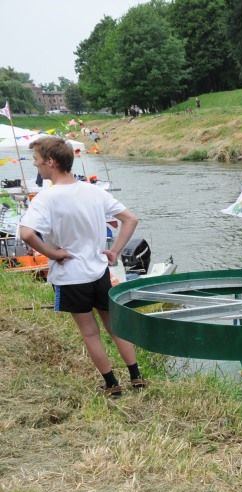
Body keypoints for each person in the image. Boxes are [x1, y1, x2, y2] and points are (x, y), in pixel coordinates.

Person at [18, 137, 145, 398]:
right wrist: (115, 251)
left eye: (37, 162)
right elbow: (130, 219)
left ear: (51, 162)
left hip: (70, 276)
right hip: (99, 272)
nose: (36, 167)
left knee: (90, 332)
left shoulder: (45, 198)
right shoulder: (93, 191)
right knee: (115, 326)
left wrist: (53, 253)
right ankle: (136, 376)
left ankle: (112, 383)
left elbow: (26, 234)